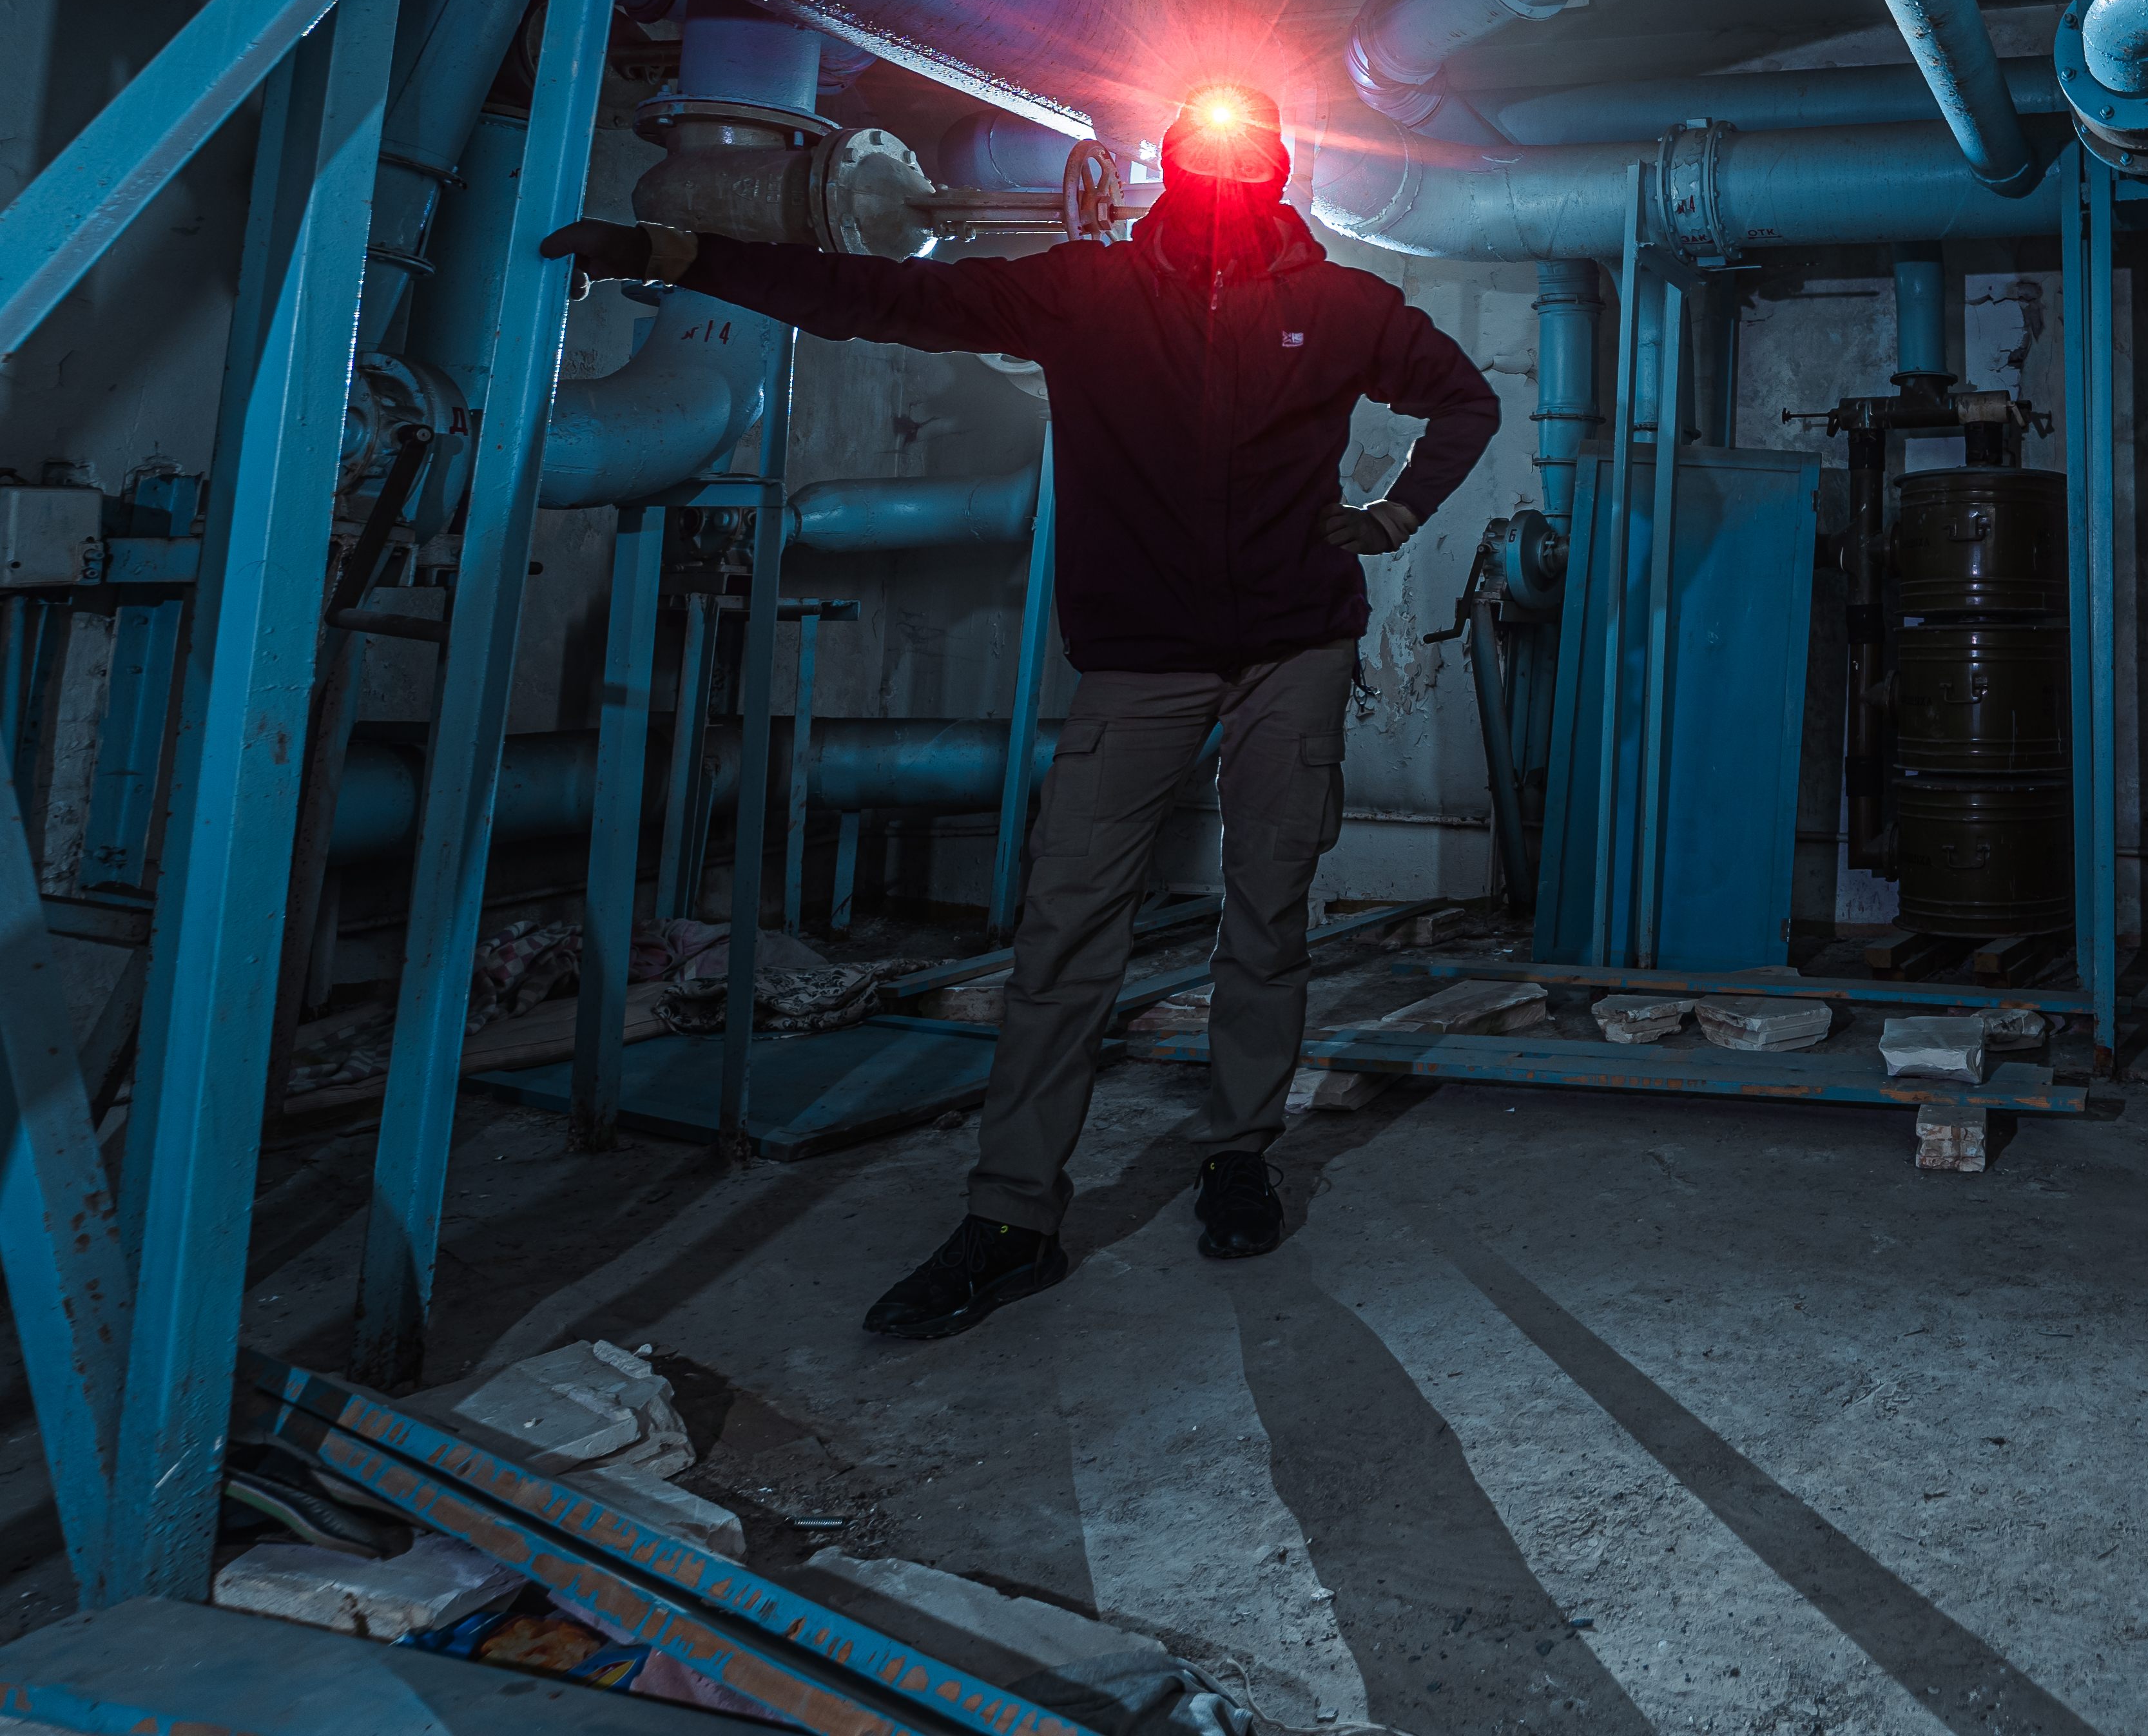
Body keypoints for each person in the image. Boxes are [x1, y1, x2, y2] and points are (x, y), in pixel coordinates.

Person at [539, 82, 1498, 1337]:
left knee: (1266, 910)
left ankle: (1238, 1153)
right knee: (1065, 928)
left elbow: (1463, 397)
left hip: (1291, 647)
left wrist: (1392, 517)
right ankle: (1012, 1216)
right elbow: (885, 297)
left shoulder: (1334, 306)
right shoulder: (1088, 290)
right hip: (1144, 655)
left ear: (1273, 172)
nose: (1220, 180)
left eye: (1242, 155)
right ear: (1171, 169)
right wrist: (680, 252)